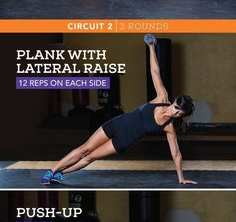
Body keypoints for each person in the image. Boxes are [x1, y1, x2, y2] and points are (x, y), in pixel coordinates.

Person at [41, 37, 209, 186]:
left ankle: (60, 174)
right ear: (174, 101)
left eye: (180, 114)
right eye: (176, 108)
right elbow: (155, 71)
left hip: (123, 141)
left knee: (90, 157)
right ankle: (51, 171)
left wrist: (181, 177)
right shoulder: (161, 97)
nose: (175, 113)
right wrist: (151, 47)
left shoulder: (169, 127)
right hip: (116, 124)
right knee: (84, 149)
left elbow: (176, 153)